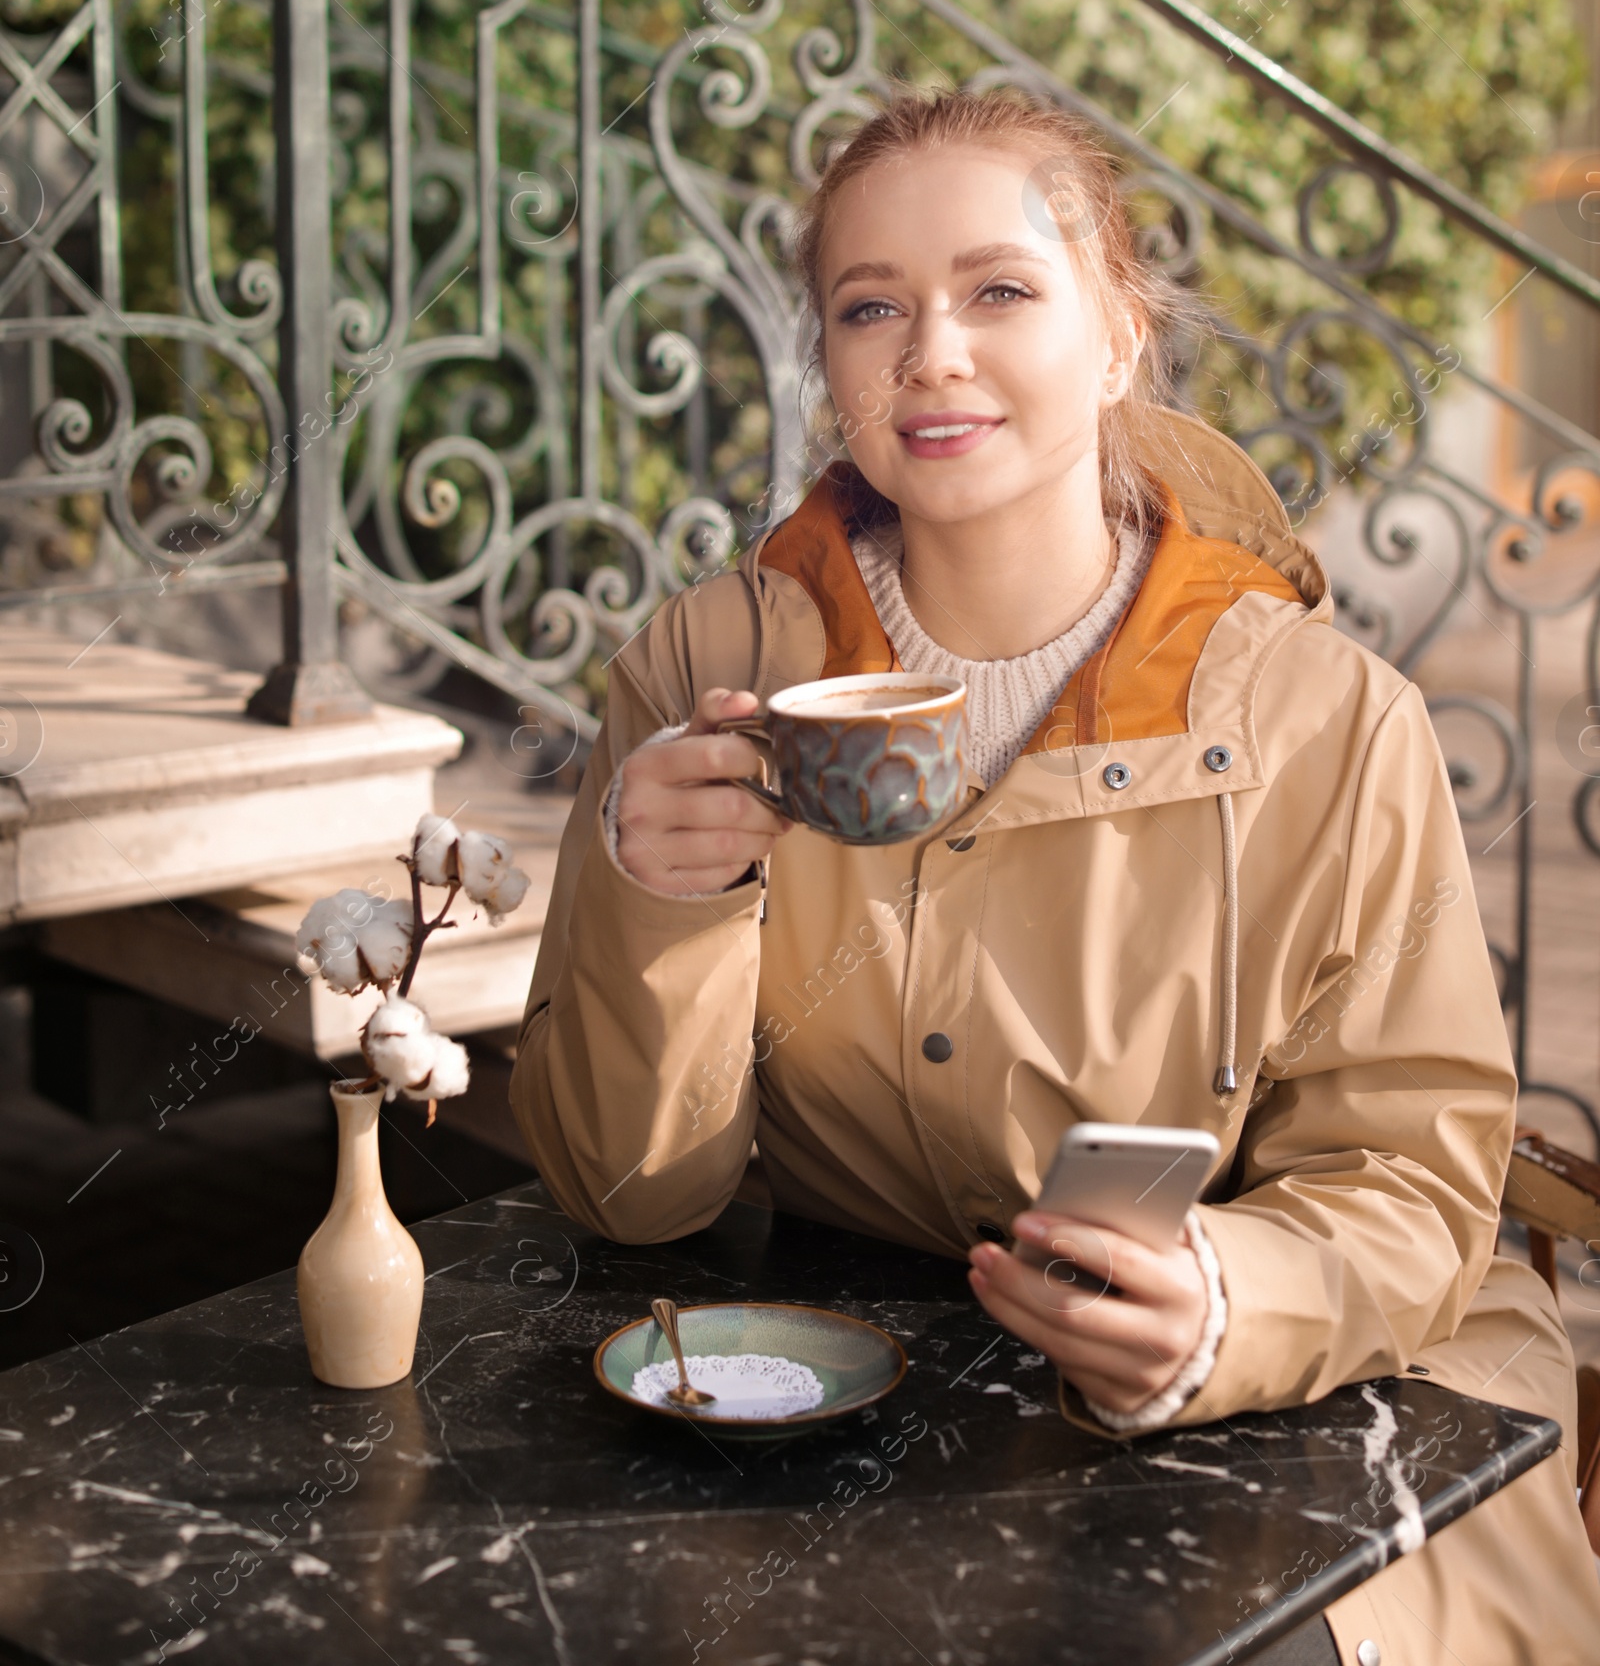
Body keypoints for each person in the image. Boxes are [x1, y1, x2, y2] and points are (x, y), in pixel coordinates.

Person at [512, 88, 1600, 1664]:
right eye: (869, 306)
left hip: (1325, 1382)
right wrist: (663, 897)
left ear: (1118, 338)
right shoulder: (712, 664)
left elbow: (1413, 1172)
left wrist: (1229, 1298)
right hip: (854, 1373)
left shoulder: (1325, 718)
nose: (930, 351)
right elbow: (632, 1196)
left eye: (1000, 291)